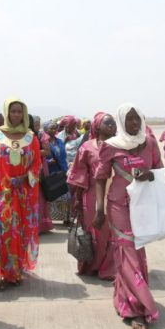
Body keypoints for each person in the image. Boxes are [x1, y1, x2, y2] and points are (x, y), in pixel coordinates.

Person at [93, 103, 162, 329]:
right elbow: (101, 178)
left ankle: (125, 296)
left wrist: (150, 174)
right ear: (122, 122)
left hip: (142, 206)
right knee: (127, 250)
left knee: (137, 250)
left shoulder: (149, 143)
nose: (134, 123)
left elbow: (161, 173)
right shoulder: (111, 146)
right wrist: (99, 210)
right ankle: (137, 308)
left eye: (137, 119)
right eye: (130, 119)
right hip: (118, 206)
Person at [0, 97, 41, 291]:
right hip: (3, 195)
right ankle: (6, 274)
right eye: (13, 111)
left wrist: (26, 177)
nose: (16, 115)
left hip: (25, 195)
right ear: (7, 113)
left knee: (22, 234)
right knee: (6, 234)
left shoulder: (31, 137)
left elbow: (37, 165)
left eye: (19, 111)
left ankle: (17, 269)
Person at [68, 112, 116, 280]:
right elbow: (80, 174)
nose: (111, 125)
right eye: (107, 123)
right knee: (94, 232)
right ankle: (92, 265)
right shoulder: (87, 147)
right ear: (97, 126)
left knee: (112, 234)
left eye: (113, 123)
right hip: (91, 196)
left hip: (115, 194)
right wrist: (78, 199)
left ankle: (109, 268)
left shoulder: (121, 146)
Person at [32, 116, 54, 233]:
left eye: (38, 123)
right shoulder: (26, 135)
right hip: (29, 167)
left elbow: (47, 151)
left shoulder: (41, 135)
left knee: (40, 196)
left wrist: (32, 151)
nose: (36, 125)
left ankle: (41, 225)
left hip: (40, 167)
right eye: (35, 123)